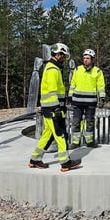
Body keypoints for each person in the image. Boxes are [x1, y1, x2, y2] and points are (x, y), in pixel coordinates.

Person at [28, 43, 82, 172]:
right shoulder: (52, 70)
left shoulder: (52, 68)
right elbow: (52, 92)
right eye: (63, 56)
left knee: (48, 135)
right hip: (53, 109)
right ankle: (65, 163)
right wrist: (57, 109)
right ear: (58, 54)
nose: (64, 59)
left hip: (50, 108)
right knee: (61, 134)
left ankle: (34, 159)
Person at [68, 49, 106, 149]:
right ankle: (75, 142)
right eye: (84, 58)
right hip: (77, 101)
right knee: (76, 122)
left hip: (90, 102)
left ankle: (90, 142)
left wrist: (102, 98)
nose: (85, 60)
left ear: (92, 59)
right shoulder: (77, 69)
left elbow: (101, 86)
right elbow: (73, 84)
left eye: (88, 58)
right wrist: (70, 96)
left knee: (90, 122)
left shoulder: (97, 71)